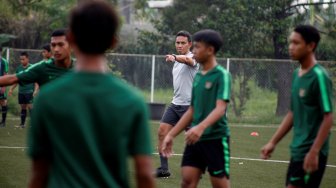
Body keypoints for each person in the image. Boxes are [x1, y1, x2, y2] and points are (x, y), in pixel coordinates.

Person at [27, 1, 155, 188]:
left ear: (70, 38)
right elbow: (144, 175)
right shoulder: (132, 101)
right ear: (113, 41)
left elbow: (39, 174)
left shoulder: (46, 98)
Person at [261, 25, 333, 188]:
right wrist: (273, 142)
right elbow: (292, 113)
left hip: (312, 151)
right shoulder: (297, 74)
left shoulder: (319, 76)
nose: (291, 47)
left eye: (296, 43)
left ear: (311, 46)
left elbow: (328, 117)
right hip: (298, 150)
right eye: (290, 42)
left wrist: (314, 152)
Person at [162, 29, 232, 188]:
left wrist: (200, 127)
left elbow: (220, 109)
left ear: (210, 50)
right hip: (196, 138)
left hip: (215, 138)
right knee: (187, 181)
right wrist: (171, 135)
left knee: (219, 184)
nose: (194, 51)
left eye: (198, 47)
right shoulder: (199, 77)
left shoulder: (222, 75)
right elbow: (193, 110)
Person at [156, 30, 199, 178]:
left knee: (193, 139)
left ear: (190, 44)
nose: (179, 45)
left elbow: (187, 60)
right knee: (162, 132)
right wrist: (175, 58)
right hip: (175, 105)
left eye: (183, 43)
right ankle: (163, 169)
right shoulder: (176, 62)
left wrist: (174, 57)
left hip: (190, 107)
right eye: (177, 43)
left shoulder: (193, 57)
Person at [0, 29, 73, 88]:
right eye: (53, 45)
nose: (56, 49)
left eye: (61, 45)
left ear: (72, 46)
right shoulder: (42, 67)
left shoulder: (81, 68)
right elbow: (13, 78)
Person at [8, 52, 38, 128]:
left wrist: (35, 90)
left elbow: (36, 81)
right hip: (21, 91)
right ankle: (22, 124)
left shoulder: (32, 67)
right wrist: (11, 89)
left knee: (31, 107)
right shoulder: (19, 68)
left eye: (23, 59)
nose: (22, 61)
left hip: (29, 91)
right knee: (23, 107)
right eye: (20, 59)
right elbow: (16, 80)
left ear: (27, 59)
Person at [0, 46, 9, 127]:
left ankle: (3, 122)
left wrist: (3, 86)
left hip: (1, 84)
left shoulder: (3, 62)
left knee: (3, 102)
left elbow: (5, 74)